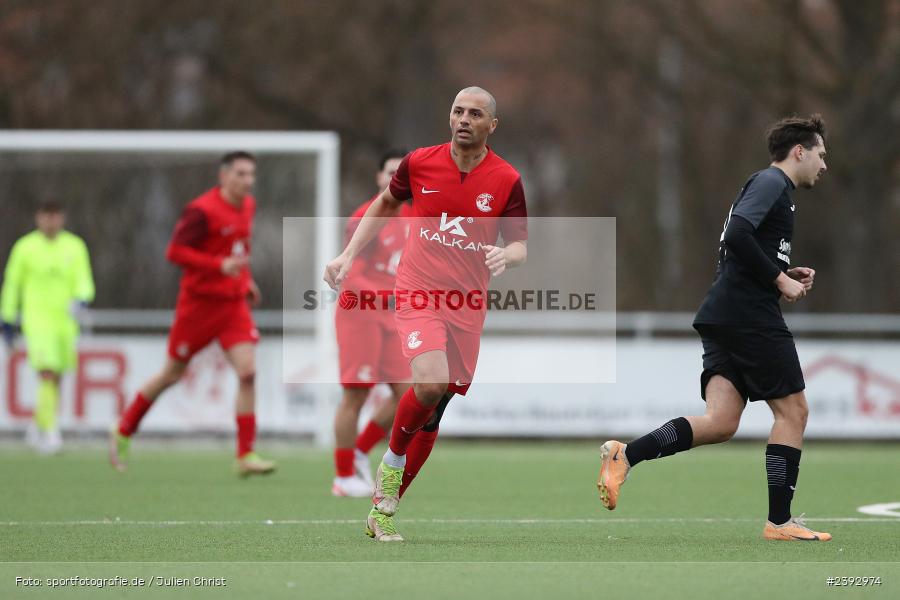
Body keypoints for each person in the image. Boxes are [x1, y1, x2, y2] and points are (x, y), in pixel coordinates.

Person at [598, 115, 831, 542]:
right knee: (793, 412)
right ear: (800, 151)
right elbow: (738, 234)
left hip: (725, 312)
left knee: (721, 422)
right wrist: (778, 281)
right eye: (820, 154)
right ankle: (780, 522)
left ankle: (625, 455)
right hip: (748, 316)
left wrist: (781, 270)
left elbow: (741, 246)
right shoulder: (771, 183)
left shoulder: (766, 186)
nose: (824, 165)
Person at [324, 86, 528, 541]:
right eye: (458, 110)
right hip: (418, 291)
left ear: (491, 125)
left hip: (467, 303)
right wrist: (346, 256)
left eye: (475, 114)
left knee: (436, 408)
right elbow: (385, 205)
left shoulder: (507, 179)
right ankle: (391, 460)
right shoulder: (419, 162)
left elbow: (519, 243)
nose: (464, 119)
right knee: (429, 383)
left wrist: (507, 256)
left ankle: (383, 510)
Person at [109, 151, 275, 477]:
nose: (248, 181)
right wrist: (218, 266)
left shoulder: (249, 206)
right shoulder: (201, 210)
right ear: (223, 176)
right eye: (241, 174)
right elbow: (175, 251)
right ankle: (124, 429)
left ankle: (245, 454)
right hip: (198, 306)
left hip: (232, 306)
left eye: (251, 174)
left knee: (248, 373)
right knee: (171, 374)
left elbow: (238, 251)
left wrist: (246, 280)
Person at [332, 149, 413, 497]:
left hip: (392, 315)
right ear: (380, 178)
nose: (396, 178)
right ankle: (343, 475)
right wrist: (387, 296)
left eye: (402, 173)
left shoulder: (414, 216)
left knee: (408, 392)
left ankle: (361, 451)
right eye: (390, 172)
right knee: (356, 393)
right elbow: (349, 274)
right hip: (359, 313)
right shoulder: (366, 216)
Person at [1, 200, 95, 454]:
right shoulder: (25, 247)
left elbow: (84, 280)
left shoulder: (74, 246)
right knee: (47, 373)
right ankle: (51, 433)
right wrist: (7, 318)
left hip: (64, 323)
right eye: (46, 216)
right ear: (38, 218)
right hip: (37, 321)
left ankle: (38, 422)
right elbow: (12, 283)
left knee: (58, 377)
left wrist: (82, 299)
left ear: (61, 219)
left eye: (55, 217)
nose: (50, 222)